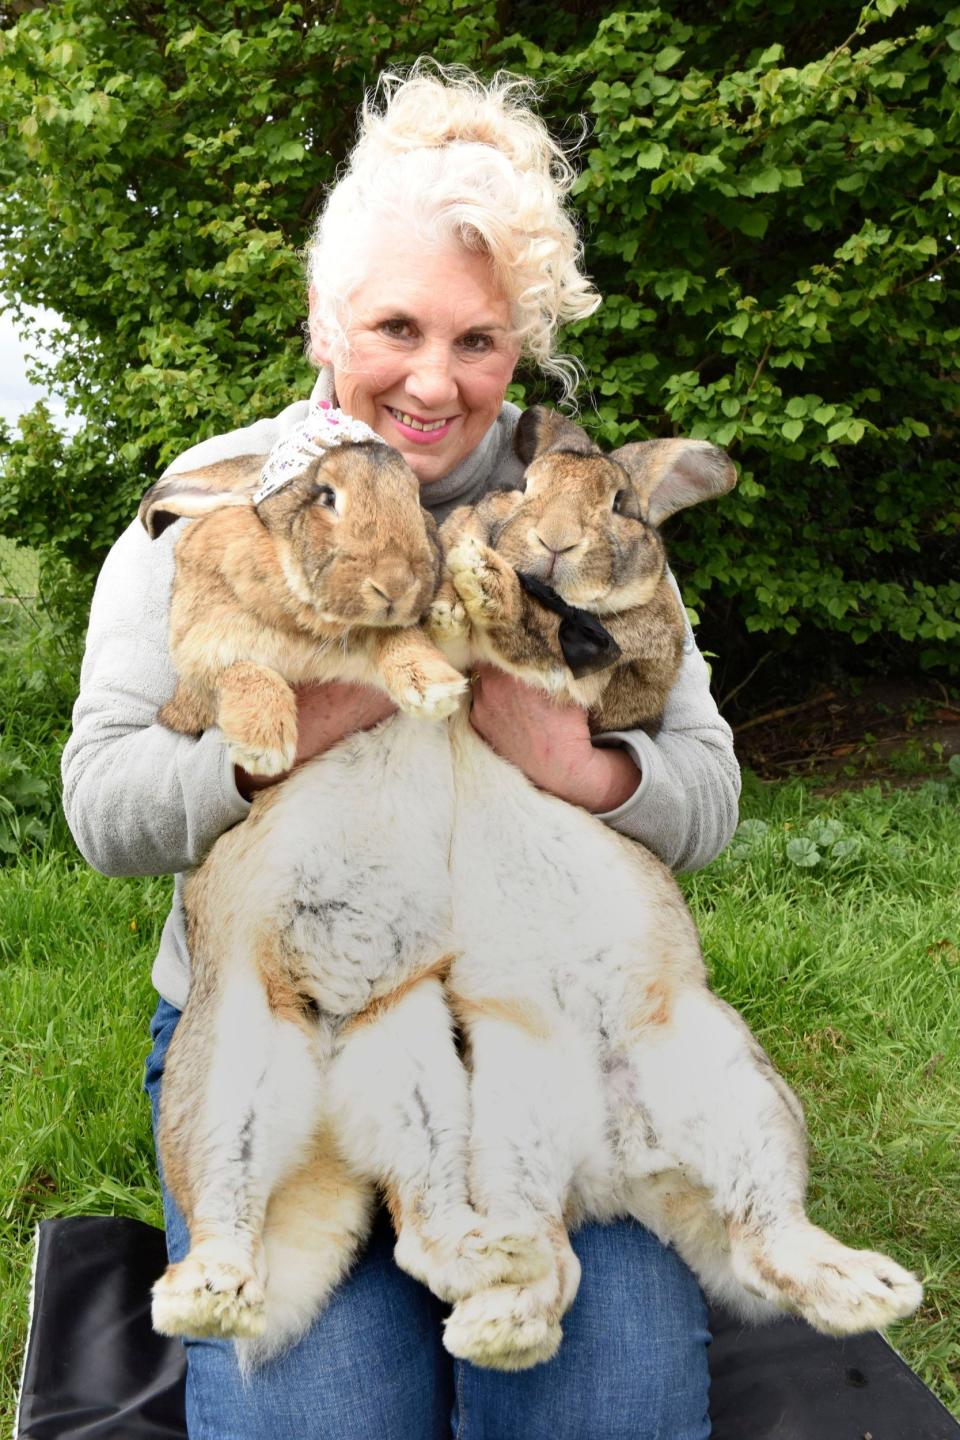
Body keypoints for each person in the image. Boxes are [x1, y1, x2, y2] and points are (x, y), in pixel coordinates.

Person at [62, 62, 739, 1440]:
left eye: (480, 342)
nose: (434, 382)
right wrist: (307, 720)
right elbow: (101, 805)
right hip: (279, 1031)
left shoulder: (573, 505)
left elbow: (710, 789)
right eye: (395, 327)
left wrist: (585, 767)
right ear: (325, 320)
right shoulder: (219, 498)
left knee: (610, 1404)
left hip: (536, 1032)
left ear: (520, 349)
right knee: (321, 1418)